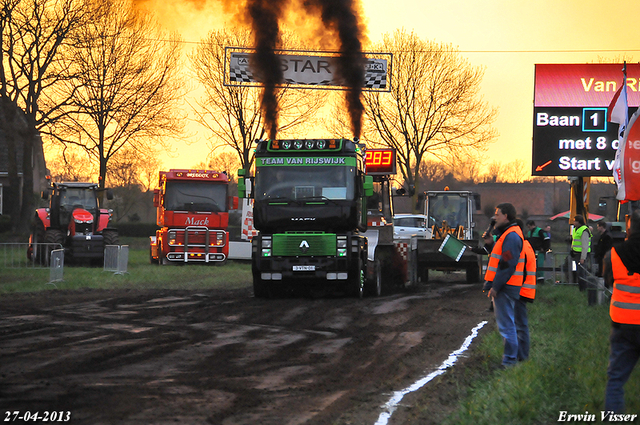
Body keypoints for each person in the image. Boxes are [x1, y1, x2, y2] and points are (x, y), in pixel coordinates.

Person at [603, 210, 640, 414]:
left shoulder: (614, 253)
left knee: (616, 379)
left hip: (623, 325)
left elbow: (608, 280)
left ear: (630, 227)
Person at [483, 202, 524, 367]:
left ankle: (510, 361)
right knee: (507, 324)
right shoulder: (508, 234)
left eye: (497, 213)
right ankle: (510, 359)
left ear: (506, 215)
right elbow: (502, 257)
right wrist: (490, 244)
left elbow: (507, 264)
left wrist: (496, 287)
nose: (495, 217)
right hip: (506, 286)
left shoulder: (511, 236)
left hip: (506, 287)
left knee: (507, 326)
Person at [516, 219, 536, 362]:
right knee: (520, 325)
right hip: (524, 290)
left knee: (520, 326)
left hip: (519, 291)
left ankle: (522, 357)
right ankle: (522, 356)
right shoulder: (526, 244)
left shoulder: (520, 247)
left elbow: (518, 270)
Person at [571, 214, 592, 289]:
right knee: (576, 270)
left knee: (582, 272)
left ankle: (583, 288)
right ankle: (578, 286)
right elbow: (574, 241)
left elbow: (585, 245)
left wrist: (583, 257)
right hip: (575, 254)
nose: (573, 223)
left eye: (574, 221)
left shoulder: (584, 230)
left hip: (581, 255)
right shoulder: (575, 229)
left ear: (578, 222)